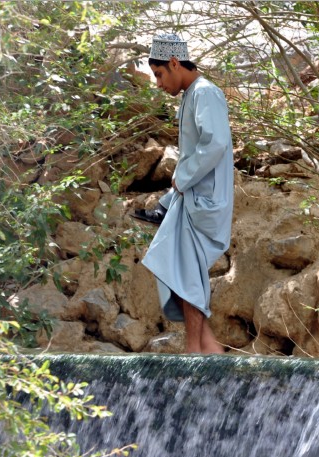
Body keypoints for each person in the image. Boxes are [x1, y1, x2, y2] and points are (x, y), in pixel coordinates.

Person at [138, 33, 234, 354]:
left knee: (184, 269)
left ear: (176, 63)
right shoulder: (192, 94)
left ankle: (195, 350)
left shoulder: (205, 93)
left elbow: (216, 144)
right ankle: (208, 348)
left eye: (159, 74)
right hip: (192, 198)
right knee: (172, 263)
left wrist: (183, 176)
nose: (158, 83)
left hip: (204, 200)